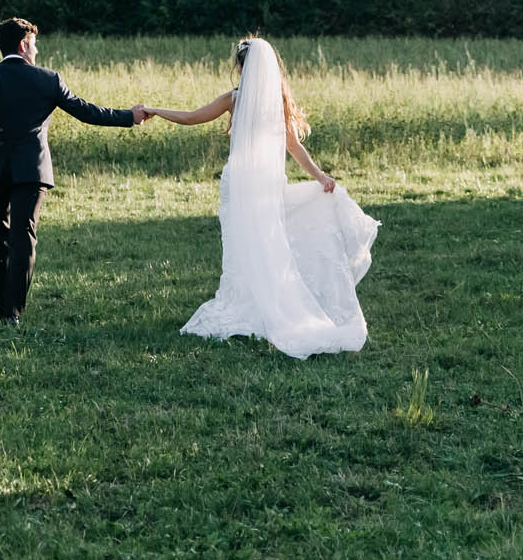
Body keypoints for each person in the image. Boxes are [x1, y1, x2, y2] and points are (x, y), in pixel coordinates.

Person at [142, 37, 378, 358]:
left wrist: (155, 109)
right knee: (267, 242)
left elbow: (192, 117)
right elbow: (294, 147)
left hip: (240, 184)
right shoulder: (275, 103)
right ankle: (260, 303)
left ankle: (247, 304)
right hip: (266, 185)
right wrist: (320, 176)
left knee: (243, 244)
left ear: (242, 67)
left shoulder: (235, 99)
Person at [0, 17, 148, 325]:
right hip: (31, 171)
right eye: (34, 44)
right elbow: (87, 111)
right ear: (23, 44)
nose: (36, 50)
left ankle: (1, 300)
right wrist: (129, 116)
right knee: (24, 237)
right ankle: (12, 311)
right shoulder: (48, 79)